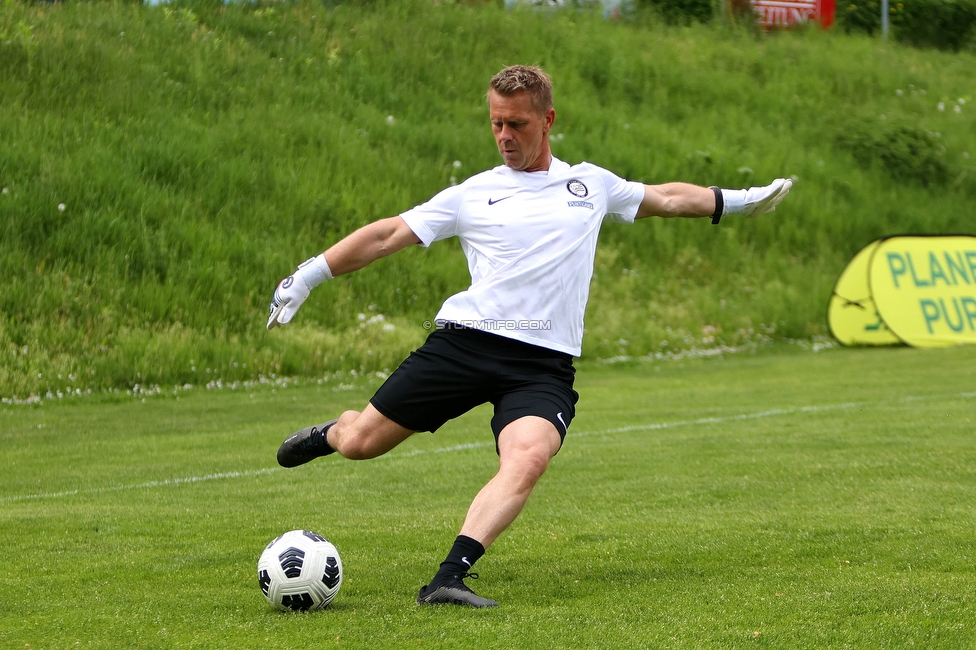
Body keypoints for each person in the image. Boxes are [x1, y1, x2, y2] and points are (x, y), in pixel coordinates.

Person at [267, 65, 792, 608]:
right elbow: (387, 236)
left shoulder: (589, 185)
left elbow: (667, 197)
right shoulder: (473, 193)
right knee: (361, 445)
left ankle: (448, 579)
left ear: (548, 120)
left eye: (516, 124)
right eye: (495, 124)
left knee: (528, 456)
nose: (504, 137)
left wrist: (739, 200)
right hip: (465, 346)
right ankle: (332, 432)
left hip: (541, 367)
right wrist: (308, 275)